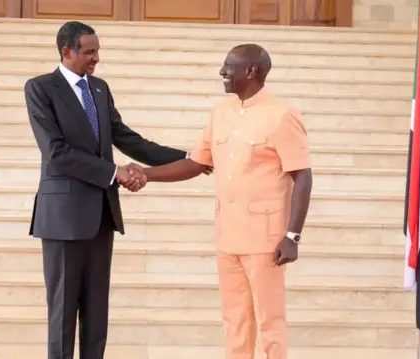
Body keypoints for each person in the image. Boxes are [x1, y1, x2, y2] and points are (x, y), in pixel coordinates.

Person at [130, 44, 313, 359]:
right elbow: (198, 164)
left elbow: (303, 176)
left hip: (266, 239)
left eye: (229, 66)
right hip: (228, 236)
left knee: (270, 319)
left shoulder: (282, 115)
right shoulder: (220, 113)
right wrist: (145, 175)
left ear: (251, 71)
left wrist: (292, 235)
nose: (222, 72)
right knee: (235, 320)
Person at [23, 20, 193, 359]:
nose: (96, 58)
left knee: (97, 310)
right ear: (66, 51)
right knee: (62, 310)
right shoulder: (40, 88)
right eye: (89, 52)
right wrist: (116, 172)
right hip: (63, 218)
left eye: (98, 51)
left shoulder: (99, 88)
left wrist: (189, 157)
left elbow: (127, 138)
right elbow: (55, 152)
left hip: (101, 214)